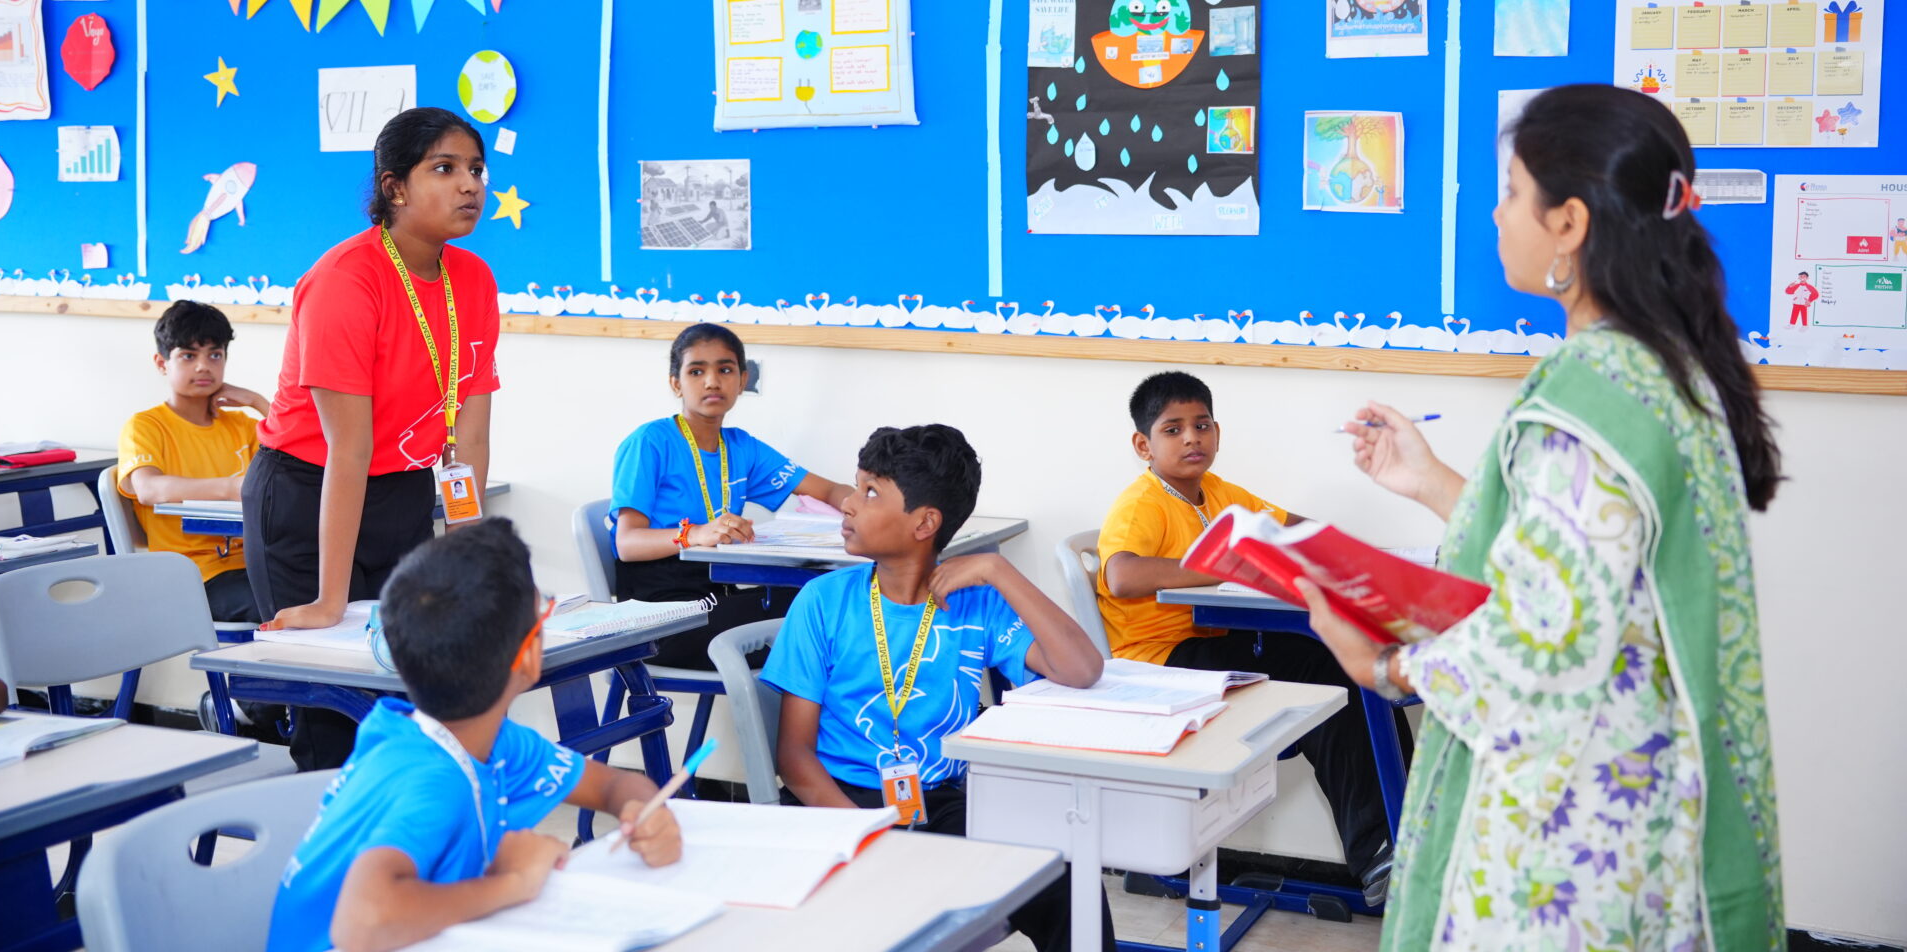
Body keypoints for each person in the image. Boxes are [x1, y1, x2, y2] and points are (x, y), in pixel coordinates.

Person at [1306, 84, 1782, 951]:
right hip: (1644, 807)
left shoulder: (1589, 389)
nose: (1496, 214)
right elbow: (1581, 561)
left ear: (1568, 223)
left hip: (1569, 839)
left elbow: (1539, 650)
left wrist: (1381, 664)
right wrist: (1433, 482)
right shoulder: (1662, 368)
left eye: (1513, 192)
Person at [762, 424, 1114, 952]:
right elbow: (794, 757)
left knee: (1068, 873)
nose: (849, 505)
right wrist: (868, 836)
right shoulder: (823, 600)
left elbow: (1083, 668)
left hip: (943, 804)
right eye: (857, 488)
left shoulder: (976, 603)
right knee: (907, 904)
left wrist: (999, 571)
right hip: (836, 804)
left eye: (871, 492)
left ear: (925, 522)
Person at [267, 518, 681, 952]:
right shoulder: (433, 776)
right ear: (530, 656)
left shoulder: (485, 741)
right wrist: (516, 880)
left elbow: (612, 784)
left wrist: (641, 808)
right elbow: (363, 924)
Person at [244, 107, 500, 771]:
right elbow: (346, 451)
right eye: (444, 169)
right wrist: (331, 599)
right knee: (334, 706)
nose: (469, 185)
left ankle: (403, 853)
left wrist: (471, 559)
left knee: (413, 688)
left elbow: (468, 438)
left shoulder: (473, 280)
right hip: (307, 492)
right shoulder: (344, 281)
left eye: (475, 169)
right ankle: (329, 852)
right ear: (394, 188)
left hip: (402, 489)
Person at [1093, 371, 1395, 904]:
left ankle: (1408, 834)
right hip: (1166, 660)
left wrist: (1351, 554)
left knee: (1355, 662)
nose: (1192, 438)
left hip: (1219, 641)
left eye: (1202, 425)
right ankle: (1381, 853)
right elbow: (1121, 574)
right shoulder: (1142, 503)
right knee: (1333, 673)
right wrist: (1225, 565)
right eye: (1173, 429)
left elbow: (1287, 526)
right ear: (1143, 444)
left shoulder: (1218, 494)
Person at [608, 323, 851, 670]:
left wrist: (865, 506)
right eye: (696, 371)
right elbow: (627, 544)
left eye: (725, 369)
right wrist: (696, 533)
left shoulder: (741, 446)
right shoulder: (650, 442)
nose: (711, 381)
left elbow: (827, 490)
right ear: (675, 382)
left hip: (717, 597)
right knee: (814, 620)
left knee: (820, 600)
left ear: (742, 379)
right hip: (664, 617)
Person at [115, 300, 269, 622]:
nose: (203, 366)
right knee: (282, 607)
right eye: (188, 355)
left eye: (215, 355)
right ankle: (252, 674)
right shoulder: (146, 426)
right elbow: (148, 488)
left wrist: (258, 402)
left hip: (256, 564)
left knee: (340, 592)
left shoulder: (242, 425)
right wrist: (232, 488)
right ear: (161, 363)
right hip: (191, 576)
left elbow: (298, 470)